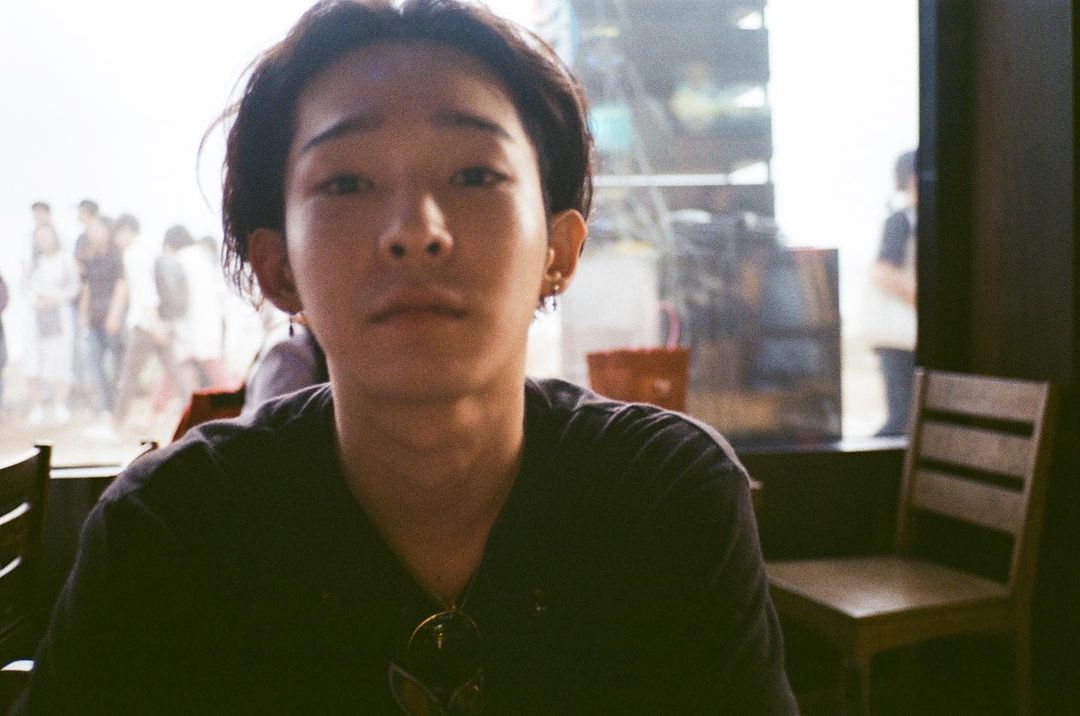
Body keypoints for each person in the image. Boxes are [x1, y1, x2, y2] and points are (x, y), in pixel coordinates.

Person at [17, 1, 796, 712]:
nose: (416, 230)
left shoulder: (664, 499)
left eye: (474, 175)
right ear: (278, 268)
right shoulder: (171, 531)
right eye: (347, 182)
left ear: (558, 250)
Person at [111, 215, 191, 430]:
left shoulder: (134, 253)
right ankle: (195, 414)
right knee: (175, 374)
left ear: (126, 230)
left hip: (146, 324)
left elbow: (146, 293)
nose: (116, 239)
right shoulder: (150, 251)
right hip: (161, 322)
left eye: (117, 233)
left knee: (128, 377)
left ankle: (116, 425)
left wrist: (155, 325)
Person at [871, 149, 918, 436]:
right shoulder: (902, 221)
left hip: (904, 338)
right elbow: (883, 272)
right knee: (902, 418)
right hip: (899, 338)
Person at [23, 223, 80, 425]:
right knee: (33, 362)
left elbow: (74, 288)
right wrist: (37, 300)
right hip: (35, 317)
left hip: (60, 315)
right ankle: (36, 407)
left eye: (46, 235)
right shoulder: (31, 261)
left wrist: (55, 298)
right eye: (39, 237)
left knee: (61, 360)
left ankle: (60, 405)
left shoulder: (66, 260)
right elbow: (25, 288)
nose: (43, 240)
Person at [78, 214, 126, 417]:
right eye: (91, 230)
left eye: (97, 229)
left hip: (112, 318)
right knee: (96, 365)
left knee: (117, 365)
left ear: (107, 231)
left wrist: (115, 314)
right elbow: (87, 287)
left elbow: (121, 285)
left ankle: (118, 407)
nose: (93, 233)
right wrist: (82, 315)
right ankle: (106, 407)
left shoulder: (116, 255)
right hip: (94, 319)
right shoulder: (91, 258)